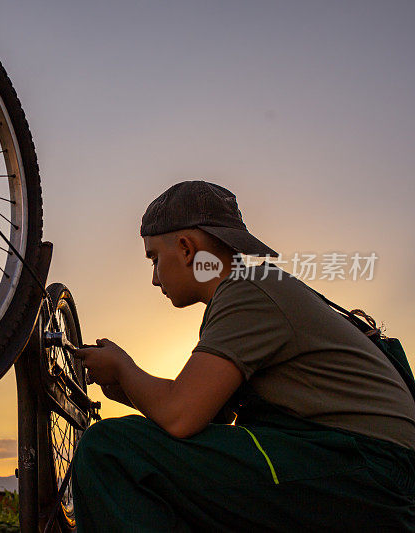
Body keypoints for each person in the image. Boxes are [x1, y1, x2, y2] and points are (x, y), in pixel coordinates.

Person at [71, 180, 415, 532]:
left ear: (187, 249)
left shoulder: (247, 291)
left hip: (368, 468)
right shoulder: (254, 289)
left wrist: (124, 368)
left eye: (155, 258)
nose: (155, 279)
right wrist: (126, 389)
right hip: (363, 466)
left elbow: (181, 417)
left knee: (109, 449)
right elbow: (208, 423)